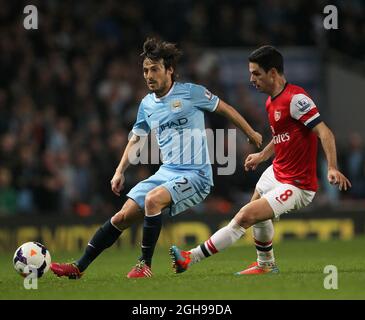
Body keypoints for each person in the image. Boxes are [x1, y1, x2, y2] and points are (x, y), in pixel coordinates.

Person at [50, 38, 262, 279]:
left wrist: (251, 132)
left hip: (196, 175)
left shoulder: (191, 92)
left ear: (169, 70)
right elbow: (137, 139)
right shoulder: (147, 104)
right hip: (166, 173)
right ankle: (79, 267)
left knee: (153, 200)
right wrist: (119, 170)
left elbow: (225, 108)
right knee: (121, 217)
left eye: (154, 69)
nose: (148, 75)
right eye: (145, 70)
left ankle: (144, 265)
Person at [170, 45, 351, 275]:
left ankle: (190, 257)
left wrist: (332, 167)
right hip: (276, 172)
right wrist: (261, 156)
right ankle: (265, 264)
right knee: (254, 213)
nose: (251, 79)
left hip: (296, 184)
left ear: (273, 73)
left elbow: (325, 132)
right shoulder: (270, 102)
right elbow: (281, 138)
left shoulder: (296, 99)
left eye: (256, 73)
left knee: (245, 215)